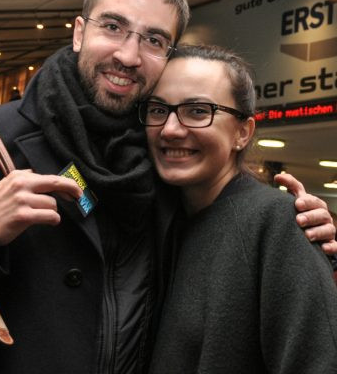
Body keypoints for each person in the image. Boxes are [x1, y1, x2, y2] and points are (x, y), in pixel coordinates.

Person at [0, 0, 334, 374]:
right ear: (80, 32)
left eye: (154, 40)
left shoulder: (154, 157)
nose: (129, 55)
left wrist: (303, 235)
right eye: (113, 27)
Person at [141, 44, 337, 373]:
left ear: (242, 133)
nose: (171, 129)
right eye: (159, 110)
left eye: (198, 111)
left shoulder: (275, 221)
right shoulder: (163, 222)